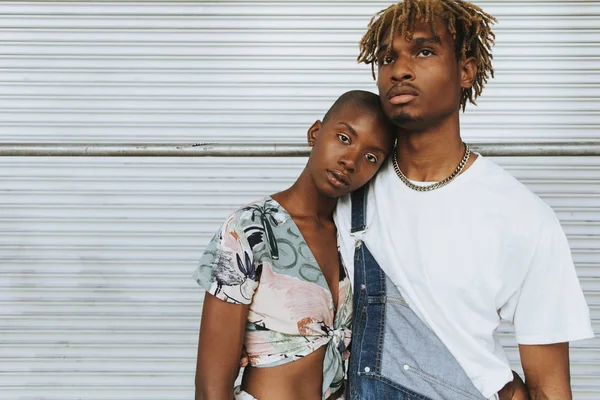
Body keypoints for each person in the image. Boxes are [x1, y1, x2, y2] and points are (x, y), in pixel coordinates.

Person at [334, 1, 594, 399]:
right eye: (387, 58)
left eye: (424, 51)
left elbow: (549, 386)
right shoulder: (346, 191)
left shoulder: (523, 216)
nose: (400, 70)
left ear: (466, 71)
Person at [193, 90, 396, 400]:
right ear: (315, 133)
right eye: (344, 138)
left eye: (371, 157)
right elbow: (211, 389)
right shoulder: (250, 228)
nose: (350, 161)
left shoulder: (356, 241)